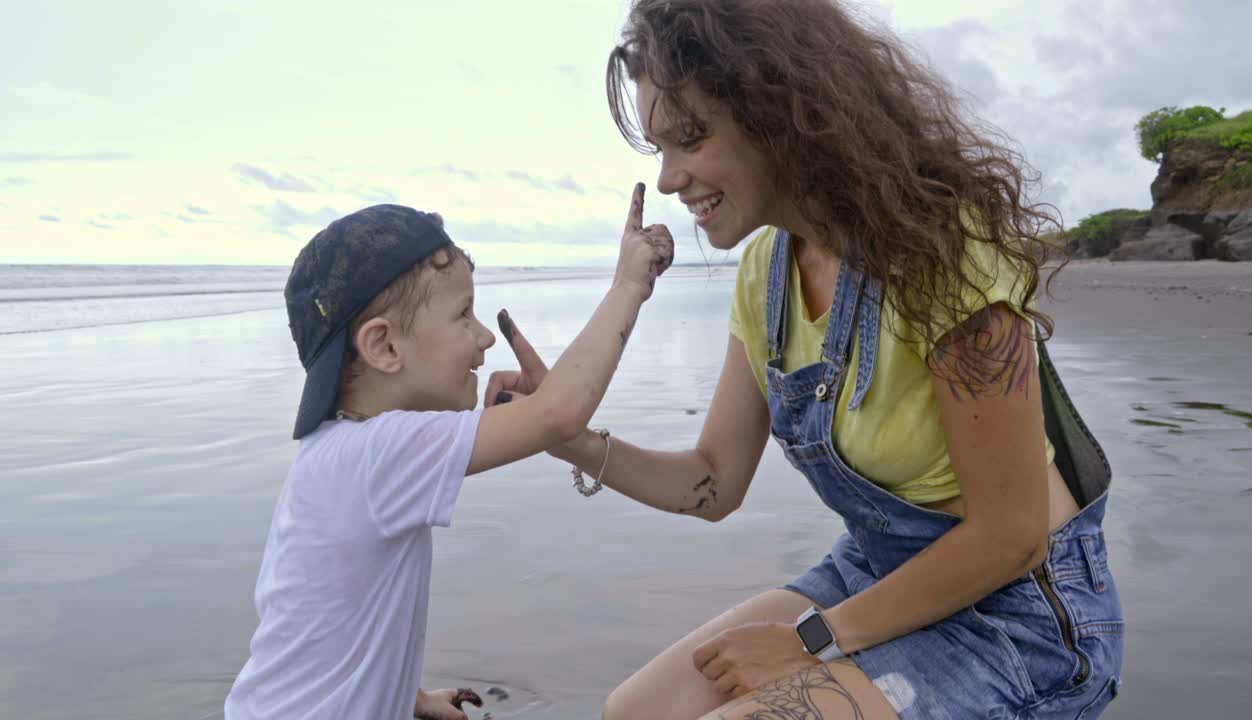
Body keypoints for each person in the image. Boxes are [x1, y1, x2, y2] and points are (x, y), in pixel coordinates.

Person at [486, 1, 1122, 718]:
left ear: (781, 112)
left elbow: (1012, 538)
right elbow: (713, 483)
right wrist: (560, 433)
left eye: (690, 138)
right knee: (632, 712)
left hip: (1020, 620)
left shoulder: (943, 253)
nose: (667, 178)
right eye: (658, 151)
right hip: (875, 574)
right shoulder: (766, 273)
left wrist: (811, 640)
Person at [224, 196, 674, 719]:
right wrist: (628, 287)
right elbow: (559, 413)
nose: (484, 336)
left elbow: (326, 618)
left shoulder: (341, 452)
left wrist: (409, 699)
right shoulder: (380, 454)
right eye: (464, 314)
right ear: (385, 347)